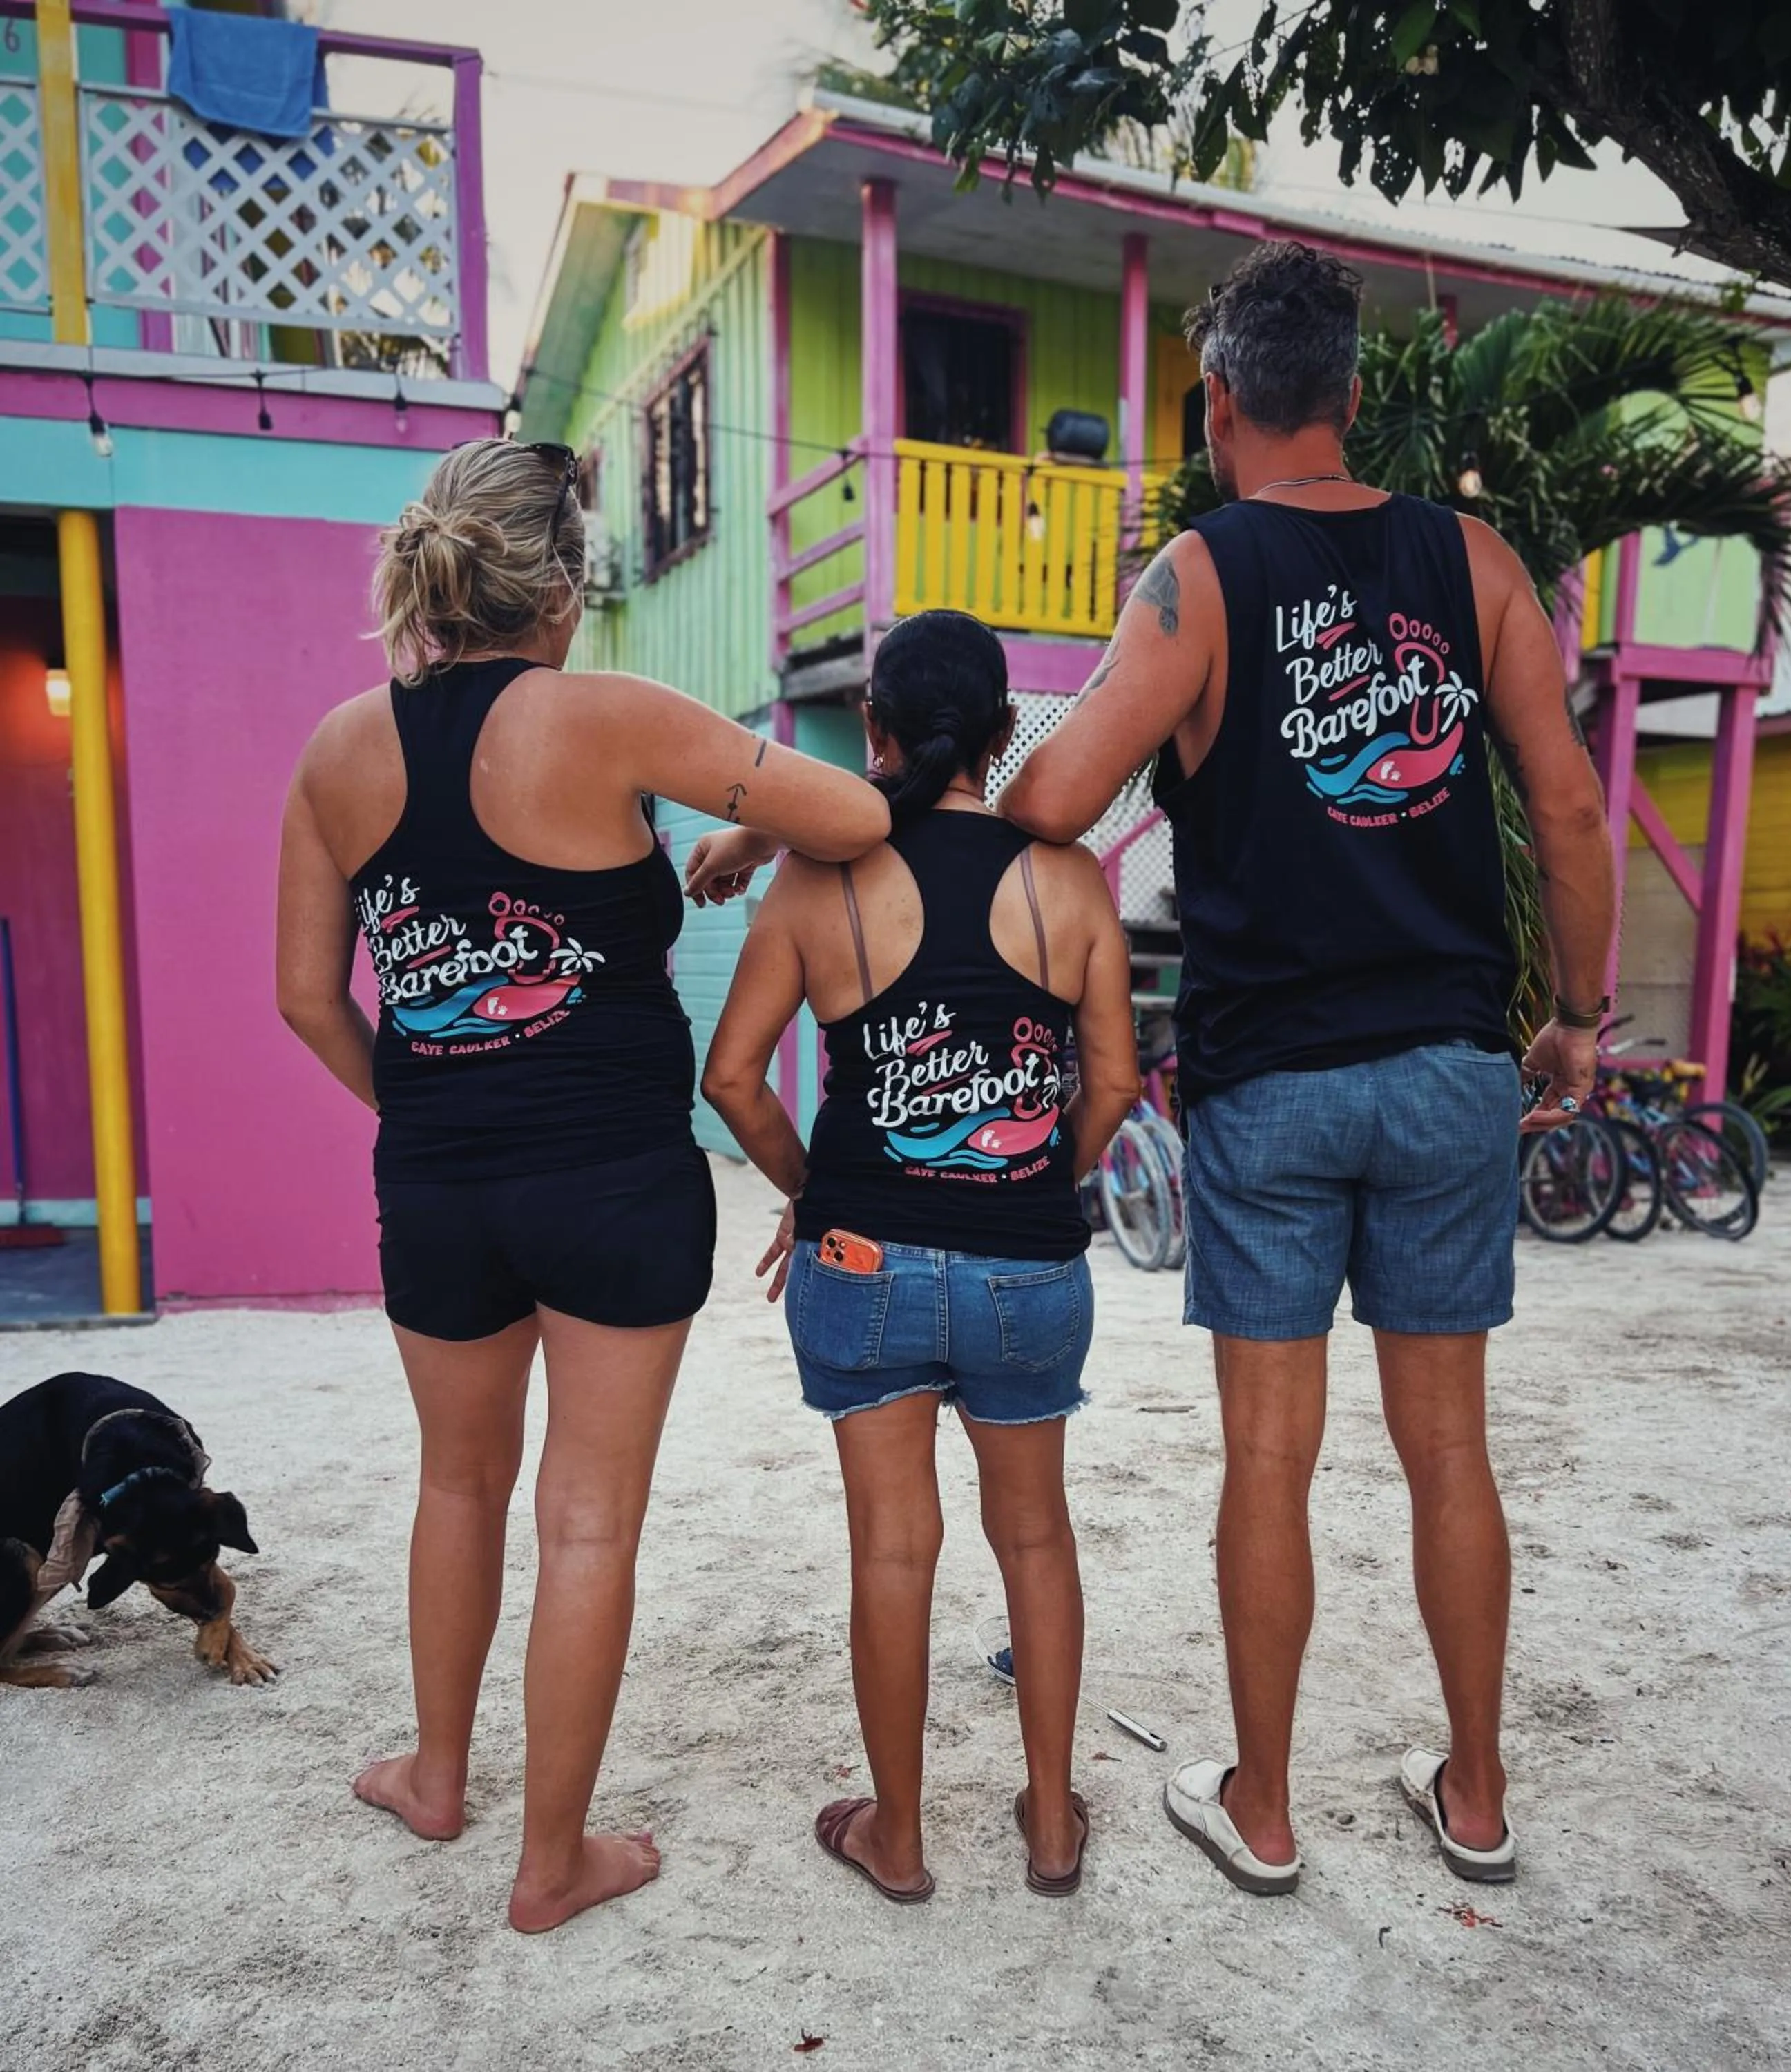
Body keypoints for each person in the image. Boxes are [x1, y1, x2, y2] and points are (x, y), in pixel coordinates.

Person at [999, 243, 1617, 1894]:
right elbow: (1566, 804)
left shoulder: (1196, 579)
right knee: (1448, 1452)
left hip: (1268, 1077)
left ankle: (1261, 1810)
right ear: (1348, 394)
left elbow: (1054, 798)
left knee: (1266, 1458)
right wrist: (1575, 1015)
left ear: (1218, 405)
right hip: (1446, 1070)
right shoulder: (1470, 560)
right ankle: (1472, 1795)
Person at [275, 437, 889, 1933]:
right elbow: (863, 817)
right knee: (588, 1521)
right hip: (614, 1181)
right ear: (561, 588)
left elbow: (303, 997)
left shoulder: (340, 748)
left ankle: (436, 1777)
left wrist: (427, 1108)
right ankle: (552, 1864)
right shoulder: (611, 716)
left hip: (439, 1187)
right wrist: (747, 828)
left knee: (455, 1483)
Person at [697, 611, 1140, 1903]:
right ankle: (1049, 1825)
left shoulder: (815, 881)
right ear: (1003, 735)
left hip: (861, 1261)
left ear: (873, 729)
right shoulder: (1070, 879)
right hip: (1028, 1274)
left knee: (893, 1551)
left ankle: (896, 1837)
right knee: (1036, 1542)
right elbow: (1113, 1084)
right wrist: (1033, 1183)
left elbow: (731, 1080)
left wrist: (813, 1192)